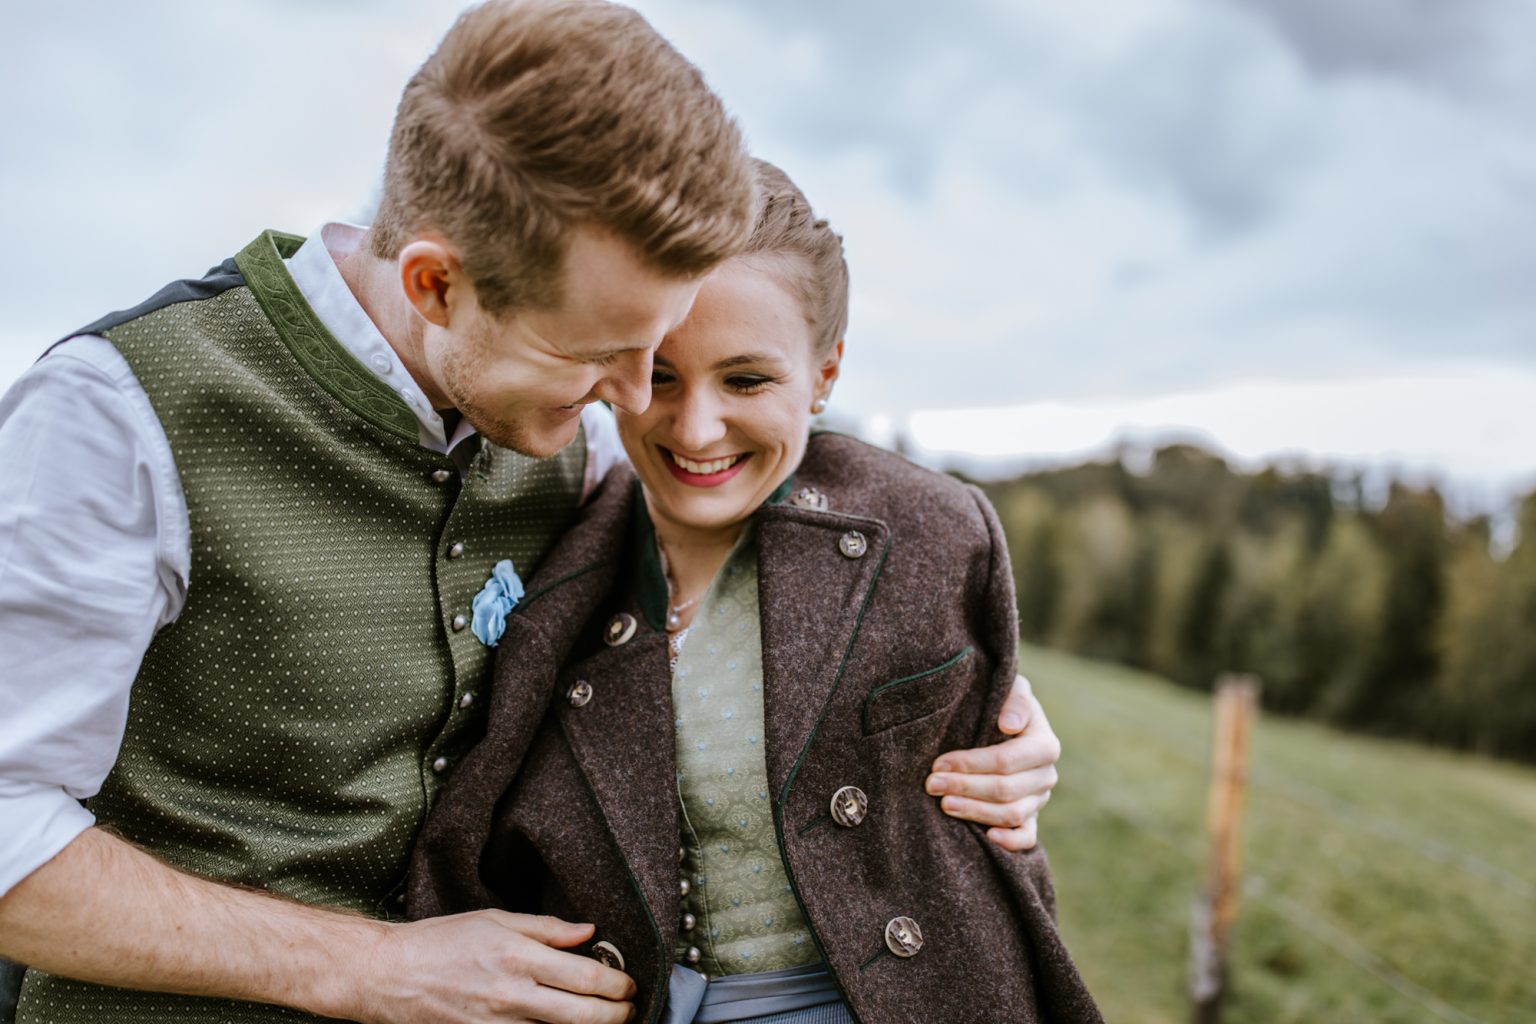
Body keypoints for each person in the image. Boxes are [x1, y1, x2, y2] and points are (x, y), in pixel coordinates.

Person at [0, 4, 1061, 1024]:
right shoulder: (116, 418)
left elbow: (769, 562)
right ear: (436, 285)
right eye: (601, 351)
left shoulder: (577, 433)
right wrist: (371, 967)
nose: (639, 397)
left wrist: (987, 714)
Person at [409, 161, 1100, 1023]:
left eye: (747, 380)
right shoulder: (556, 559)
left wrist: (1017, 763)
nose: (697, 429)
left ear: (825, 374)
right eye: (660, 375)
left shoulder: (933, 530)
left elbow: (992, 805)